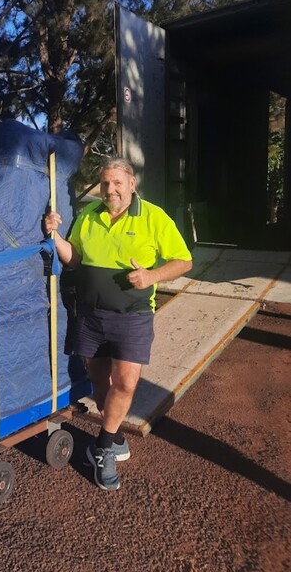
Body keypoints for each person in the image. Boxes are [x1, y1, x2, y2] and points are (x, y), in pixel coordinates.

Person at [44, 156, 192, 491]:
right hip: (91, 314)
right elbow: (76, 257)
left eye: (117, 183)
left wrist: (152, 275)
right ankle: (112, 431)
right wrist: (54, 237)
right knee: (99, 382)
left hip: (133, 315)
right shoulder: (88, 215)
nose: (110, 189)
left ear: (131, 184)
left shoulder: (154, 217)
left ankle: (104, 447)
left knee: (125, 383)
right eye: (106, 183)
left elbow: (184, 261)